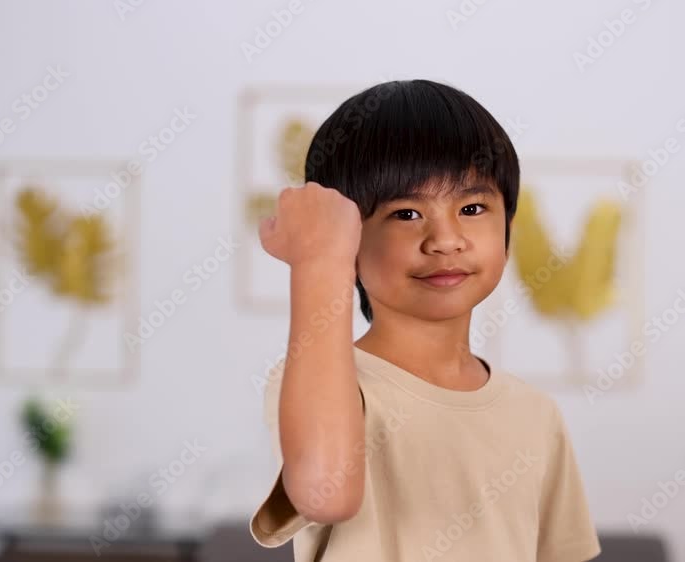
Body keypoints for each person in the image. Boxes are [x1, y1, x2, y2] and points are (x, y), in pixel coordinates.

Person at [250, 79, 600, 562]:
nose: (445, 240)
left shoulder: (536, 414)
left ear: (507, 228)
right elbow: (326, 495)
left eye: (472, 208)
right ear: (348, 238)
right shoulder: (323, 385)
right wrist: (318, 263)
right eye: (406, 213)